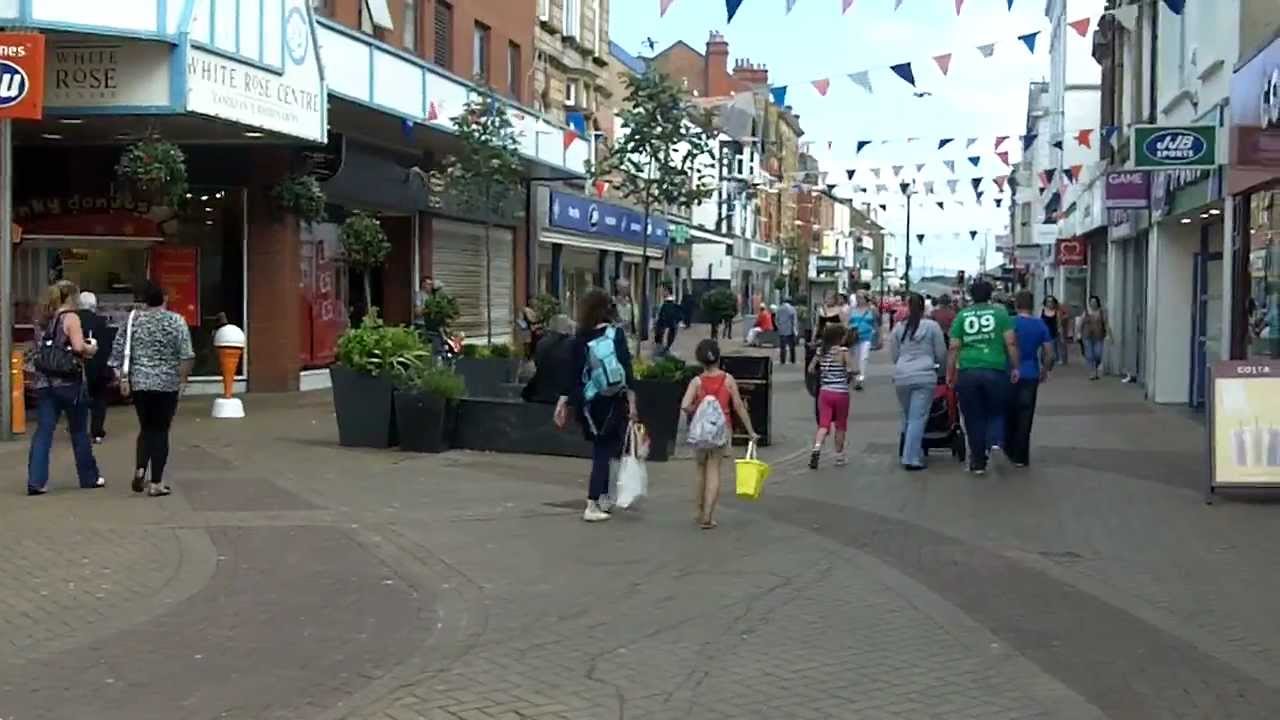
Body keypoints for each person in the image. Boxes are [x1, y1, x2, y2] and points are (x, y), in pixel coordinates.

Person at [555, 288, 638, 523]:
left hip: (589, 403)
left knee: (601, 448)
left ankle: (602, 497)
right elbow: (627, 371)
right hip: (614, 399)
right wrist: (632, 403)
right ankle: (593, 502)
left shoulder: (579, 339)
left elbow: (571, 376)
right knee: (605, 451)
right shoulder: (616, 335)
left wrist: (563, 403)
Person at [110, 281, 195, 497]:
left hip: (140, 383)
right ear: (164, 299)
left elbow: (117, 352)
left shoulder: (132, 322)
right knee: (161, 431)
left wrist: (122, 377)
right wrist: (183, 380)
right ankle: (156, 482)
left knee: (146, 428)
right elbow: (186, 355)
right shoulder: (176, 321)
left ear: (144, 300)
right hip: (167, 384)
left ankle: (140, 468)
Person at [26, 281, 105, 495]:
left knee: (43, 432)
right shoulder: (71, 318)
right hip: (69, 383)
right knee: (79, 431)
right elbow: (79, 348)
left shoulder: (42, 319)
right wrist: (92, 348)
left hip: (44, 382)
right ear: (70, 297)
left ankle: (36, 481)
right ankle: (88, 477)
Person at [680, 339, 757, 529]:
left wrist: (697, 408)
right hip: (722, 431)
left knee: (700, 470)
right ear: (718, 357)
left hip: (700, 433)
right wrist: (750, 431)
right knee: (714, 470)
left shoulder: (696, 382)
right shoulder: (728, 380)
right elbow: (738, 405)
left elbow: (684, 406)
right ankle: (708, 516)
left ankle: (698, 512)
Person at [946, 280, 1019, 475]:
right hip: (995, 369)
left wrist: (950, 372)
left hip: (968, 371)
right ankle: (993, 442)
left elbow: (954, 346)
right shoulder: (1001, 314)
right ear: (990, 294)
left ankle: (978, 461)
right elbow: (1010, 342)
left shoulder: (962, 316)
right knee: (996, 410)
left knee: (973, 417)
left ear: (971, 295)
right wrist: (1015, 366)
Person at [890, 293, 948, 471]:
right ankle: (911, 458)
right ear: (924, 307)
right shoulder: (932, 327)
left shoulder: (899, 328)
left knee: (908, 416)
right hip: (924, 375)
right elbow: (941, 353)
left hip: (902, 375)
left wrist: (902, 365)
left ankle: (909, 450)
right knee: (918, 418)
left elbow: (894, 354)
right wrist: (941, 372)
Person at [1007, 291, 1055, 468]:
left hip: (1010, 372)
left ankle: (1009, 448)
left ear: (1016, 304)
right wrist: (1045, 370)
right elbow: (1049, 353)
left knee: (1010, 413)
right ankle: (1021, 456)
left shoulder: (1010, 323)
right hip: (1031, 373)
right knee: (1026, 415)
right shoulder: (1040, 325)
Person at [807, 322, 856, 469]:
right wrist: (851, 374)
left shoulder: (821, 351)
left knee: (823, 425)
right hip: (841, 393)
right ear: (839, 338)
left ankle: (816, 449)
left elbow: (810, 369)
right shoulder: (843, 351)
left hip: (825, 392)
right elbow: (851, 369)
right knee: (840, 425)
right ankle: (839, 456)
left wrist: (822, 374)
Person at [76, 291, 116, 444]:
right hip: (98, 366)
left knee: (78, 399)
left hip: (78, 366)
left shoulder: (74, 319)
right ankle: (97, 432)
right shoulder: (102, 322)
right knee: (99, 399)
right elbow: (107, 346)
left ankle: (78, 429)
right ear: (94, 305)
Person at [847, 290, 878, 391]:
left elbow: (877, 324)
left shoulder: (872, 310)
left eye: (860, 297)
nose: (858, 299)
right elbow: (847, 323)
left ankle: (860, 379)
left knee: (864, 358)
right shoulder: (852, 309)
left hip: (866, 337)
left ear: (866, 298)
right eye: (857, 297)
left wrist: (878, 337)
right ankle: (854, 376)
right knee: (854, 358)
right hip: (854, 337)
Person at [1081, 295, 1108, 380]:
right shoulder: (1086, 312)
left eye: (1094, 302)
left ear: (1097, 303)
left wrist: (1109, 334)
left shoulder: (1101, 312)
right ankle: (1092, 373)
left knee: (1098, 354)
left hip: (1098, 336)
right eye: (1091, 302)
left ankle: (1096, 367)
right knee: (1089, 355)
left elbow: (1106, 323)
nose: (1093, 304)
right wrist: (1077, 333)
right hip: (1087, 336)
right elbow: (1080, 323)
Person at [654, 284, 683, 353]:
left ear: (667, 291)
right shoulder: (667, 303)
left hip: (665, 334)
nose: (660, 292)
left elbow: (667, 322)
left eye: (662, 290)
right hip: (666, 334)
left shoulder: (668, 304)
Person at [1041, 296, 1064, 367]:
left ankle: (1050, 364)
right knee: (1043, 351)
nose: (1050, 303)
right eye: (1048, 301)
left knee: (1051, 350)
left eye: (1051, 301)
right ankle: (1045, 363)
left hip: (1053, 334)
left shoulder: (1056, 312)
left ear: (1054, 303)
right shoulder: (1042, 311)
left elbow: (1059, 323)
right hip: (1043, 334)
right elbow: (1038, 322)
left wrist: (1061, 333)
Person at [776, 297, 798, 364]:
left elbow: (776, 319)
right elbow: (794, 320)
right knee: (792, 346)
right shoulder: (792, 309)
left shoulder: (779, 309)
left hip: (781, 330)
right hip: (790, 330)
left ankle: (782, 360)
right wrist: (795, 329)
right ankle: (792, 359)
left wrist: (779, 326)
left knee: (782, 346)